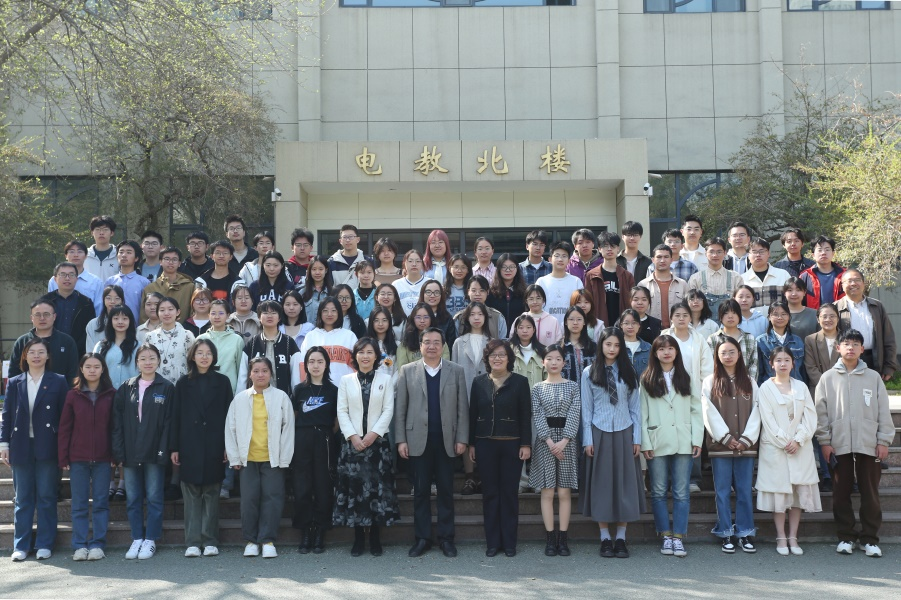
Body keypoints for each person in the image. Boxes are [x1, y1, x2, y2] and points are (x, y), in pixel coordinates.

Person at [816, 329, 893, 558]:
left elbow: (883, 411)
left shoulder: (873, 377)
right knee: (841, 493)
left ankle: (870, 539)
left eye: (855, 344)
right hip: (838, 444)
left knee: (870, 493)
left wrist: (883, 440)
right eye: (846, 343)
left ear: (862, 349)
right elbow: (820, 413)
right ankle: (846, 537)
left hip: (869, 443)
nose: (851, 347)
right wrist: (825, 441)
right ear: (838, 348)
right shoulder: (827, 378)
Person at [395, 327, 469, 558]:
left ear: (443, 346)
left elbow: (462, 409)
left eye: (437, 342)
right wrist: (401, 440)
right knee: (420, 492)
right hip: (417, 440)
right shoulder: (408, 371)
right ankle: (422, 539)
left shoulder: (456, 371)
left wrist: (462, 438)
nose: (432, 346)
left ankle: (446, 539)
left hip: (447, 440)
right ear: (420, 346)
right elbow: (400, 409)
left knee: (446, 491)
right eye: (427, 342)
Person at [0, 338, 68, 561]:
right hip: (21, 444)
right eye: (32, 352)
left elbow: (65, 418)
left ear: (48, 356)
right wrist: (4, 444)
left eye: (41, 352)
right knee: (23, 497)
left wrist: (64, 448)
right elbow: (7, 415)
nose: (36, 356)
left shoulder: (58, 381)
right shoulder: (15, 382)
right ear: (25, 356)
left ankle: (45, 544)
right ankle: (21, 544)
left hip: (48, 444)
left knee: (47, 496)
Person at [580, 327, 644, 559]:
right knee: (602, 484)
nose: (612, 349)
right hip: (600, 431)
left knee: (624, 483)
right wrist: (588, 439)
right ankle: (605, 537)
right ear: (601, 345)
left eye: (617, 345)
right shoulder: (589, 372)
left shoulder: (629, 371)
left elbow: (635, 407)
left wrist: (637, 438)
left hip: (625, 431)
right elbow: (587, 409)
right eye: (608, 344)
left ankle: (621, 538)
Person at [333, 338, 400, 557]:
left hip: (377, 444)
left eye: (370, 352)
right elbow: (341, 411)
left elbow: (388, 410)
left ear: (376, 356)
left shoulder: (385, 380)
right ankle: (358, 538)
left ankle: (375, 537)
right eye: (361, 352)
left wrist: (373, 434)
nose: (365, 356)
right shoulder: (346, 380)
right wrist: (353, 436)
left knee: (376, 490)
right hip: (352, 444)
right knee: (355, 488)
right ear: (355, 356)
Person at [225, 357, 295, 559]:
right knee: (249, 500)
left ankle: (267, 540)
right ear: (250, 374)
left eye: (265, 370)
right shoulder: (240, 399)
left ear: (271, 374)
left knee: (272, 499)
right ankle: (251, 540)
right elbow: (230, 428)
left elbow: (288, 429)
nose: (260, 374)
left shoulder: (281, 397)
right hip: (248, 458)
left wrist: (285, 458)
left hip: (273, 458)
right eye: (256, 371)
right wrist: (235, 457)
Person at [640, 335, 702, 558]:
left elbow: (697, 410)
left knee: (681, 491)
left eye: (670, 348)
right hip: (656, 440)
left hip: (684, 439)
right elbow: (642, 413)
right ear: (655, 353)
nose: (666, 352)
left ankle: (678, 536)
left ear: (676, 351)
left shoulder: (686, 377)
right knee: (658, 490)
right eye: (661, 349)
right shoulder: (646, 378)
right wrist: (645, 442)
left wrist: (697, 439)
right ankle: (665, 535)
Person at [170, 339, 233, 558]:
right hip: (189, 443)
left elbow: (229, 417)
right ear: (192, 356)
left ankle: (210, 540)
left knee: (212, 493)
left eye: (208, 353)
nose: (204, 357)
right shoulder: (183, 383)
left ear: (214, 357)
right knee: (191, 494)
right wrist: (174, 447)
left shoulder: (223, 382)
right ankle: (192, 542)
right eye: (200, 353)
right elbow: (175, 417)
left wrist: (228, 446)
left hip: (215, 442)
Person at [756, 346, 822, 556]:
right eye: (778, 360)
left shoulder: (801, 387)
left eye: (787, 360)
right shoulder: (765, 388)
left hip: (800, 448)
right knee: (780, 494)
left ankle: (793, 536)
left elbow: (810, 416)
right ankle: (781, 537)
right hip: (776, 448)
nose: (783, 364)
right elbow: (767, 419)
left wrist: (799, 440)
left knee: (796, 495)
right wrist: (785, 441)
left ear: (793, 363)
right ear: (771, 364)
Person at [469, 339, 531, 557]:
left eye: (501, 355)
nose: (497, 358)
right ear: (487, 359)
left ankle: (510, 543)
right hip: (485, 443)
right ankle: (493, 542)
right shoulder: (478, 382)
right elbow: (473, 414)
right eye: (493, 355)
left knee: (509, 494)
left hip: (512, 444)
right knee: (490, 493)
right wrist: (472, 443)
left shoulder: (520, 382)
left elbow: (526, 415)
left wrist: (525, 443)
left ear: (509, 359)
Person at [112, 344, 174, 560]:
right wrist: (118, 451)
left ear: (159, 361)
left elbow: (169, 423)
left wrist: (164, 450)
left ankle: (151, 539)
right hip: (130, 452)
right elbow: (117, 423)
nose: (148, 362)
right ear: (137, 362)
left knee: (155, 497)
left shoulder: (166, 387)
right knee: (133, 497)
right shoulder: (126, 387)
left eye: (152, 358)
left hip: (155, 452)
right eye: (143, 358)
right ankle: (137, 537)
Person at [702, 336, 761, 554]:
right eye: (723, 353)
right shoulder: (710, 381)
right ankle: (725, 531)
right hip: (721, 447)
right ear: (717, 356)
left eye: (732, 352)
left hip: (746, 447)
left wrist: (747, 439)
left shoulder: (750, 381)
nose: (728, 356)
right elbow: (707, 411)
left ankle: (745, 532)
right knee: (723, 491)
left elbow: (758, 410)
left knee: (744, 490)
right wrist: (725, 437)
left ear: (739, 354)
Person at [58, 353, 116, 561]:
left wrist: (115, 454)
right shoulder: (72, 395)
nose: (92, 370)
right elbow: (65, 428)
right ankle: (79, 545)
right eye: (88, 366)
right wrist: (63, 456)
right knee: (79, 504)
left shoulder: (112, 394)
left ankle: (98, 544)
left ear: (103, 369)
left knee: (101, 503)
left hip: (104, 458)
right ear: (81, 369)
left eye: (96, 366)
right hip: (78, 458)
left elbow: (116, 427)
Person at [530, 343, 580, 557]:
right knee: (547, 491)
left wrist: (565, 440)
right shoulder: (537, 388)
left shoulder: (573, 386)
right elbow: (538, 415)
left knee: (564, 491)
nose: (553, 362)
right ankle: (550, 538)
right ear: (543, 362)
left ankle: (563, 538)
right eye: (549, 358)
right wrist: (550, 442)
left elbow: (575, 413)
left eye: (558, 359)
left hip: (567, 442)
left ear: (564, 363)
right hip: (545, 442)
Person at [291, 347, 339, 554]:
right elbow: (293, 416)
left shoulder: (334, 391)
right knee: (302, 488)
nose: (316, 365)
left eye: (320, 361)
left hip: (325, 441)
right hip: (302, 439)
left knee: (323, 487)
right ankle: (305, 531)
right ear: (306, 365)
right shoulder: (298, 390)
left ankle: (320, 531)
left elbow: (337, 422)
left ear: (326, 364)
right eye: (312, 361)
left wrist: (324, 434)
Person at [663, 301, 714, 493]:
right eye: (677, 315)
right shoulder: (664, 337)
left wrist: (702, 391)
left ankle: (693, 478)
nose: (681, 318)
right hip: (668, 394)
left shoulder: (698, 339)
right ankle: (670, 479)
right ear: (671, 318)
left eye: (685, 315)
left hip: (693, 393)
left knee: (693, 434)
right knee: (669, 433)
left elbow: (707, 368)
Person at [452, 301, 491, 495]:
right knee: (466, 433)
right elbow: (454, 370)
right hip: (464, 392)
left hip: (487, 395)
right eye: (472, 314)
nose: (476, 318)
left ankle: (483, 475)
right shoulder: (459, 342)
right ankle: (469, 476)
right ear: (466, 318)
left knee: (483, 434)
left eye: (480, 314)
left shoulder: (492, 342)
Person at [803, 303, 842, 493]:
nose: (828, 320)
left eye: (832, 316)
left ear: (838, 318)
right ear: (818, 319)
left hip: (843, 391)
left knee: (842, 432)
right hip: (818, 391)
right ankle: (827, 475)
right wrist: (827, 385)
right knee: (822, 432)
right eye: (824, 316)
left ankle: (844, 474)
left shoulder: (846, 338)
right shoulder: (811, 340)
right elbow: (810, 367)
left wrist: (837, 386)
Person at [834, 269, 898, 382]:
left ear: (863, 284)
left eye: (857, 280)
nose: (853, 284)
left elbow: (889, 338)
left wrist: (889, 366)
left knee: (872, 392)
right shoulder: (835, 308)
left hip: (874, 359)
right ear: (842, 286)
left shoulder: (877, 306)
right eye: (849, 281)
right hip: (847, 361)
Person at [238, 301, 303, 397]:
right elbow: (243, 376)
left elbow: (296, 376)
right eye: (265, 313)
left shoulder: (289, 343)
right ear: (259, 317)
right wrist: (240, 398)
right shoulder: (252, 343)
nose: (269, 316)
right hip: (255, 399)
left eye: (273, 313)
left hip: (282, 399)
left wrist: (296, 400)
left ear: (279, 317)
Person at [8, 299, 79, 386]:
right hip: (27, 392)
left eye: (46, 314)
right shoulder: (22, 342)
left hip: (60, 392)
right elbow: (13, 373)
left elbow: (73, 373)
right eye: (37, 315)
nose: (42, 318)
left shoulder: (67, 341)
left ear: (54, 316)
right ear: (31, 318)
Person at [299, 298, 358, 386]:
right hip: (317, 389)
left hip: (345, 388)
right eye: (325, 311)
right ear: (320, 313)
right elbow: (303, 365)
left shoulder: (349, 336)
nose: (329, 314)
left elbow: (356, 365)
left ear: (339, 313)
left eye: (333, 310)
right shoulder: (311, 336)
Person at [44, 261, 96, 355]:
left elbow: (89, 330)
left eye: (71, 275)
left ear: (76, 279)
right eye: (63, 274)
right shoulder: (45, 301)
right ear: (55, 279)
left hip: (78, 353)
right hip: (49, 352)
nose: (67, 278)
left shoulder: (86, 303)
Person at [585, 230, 634, 327]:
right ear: (599, 249)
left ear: (618, 248)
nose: (609, 249)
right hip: (599, 326)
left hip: (622, 326)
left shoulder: (627, 276)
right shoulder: (591, 275)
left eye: (613, 246)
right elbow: (587, 302)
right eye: (605, 246)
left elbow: (631, 303)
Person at [198, 299, 246, 394]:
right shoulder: (201, 339)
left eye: (221, 313)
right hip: (204, 389)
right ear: (208, 315)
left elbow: (240, 370)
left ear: (228, 315)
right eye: (213, 313)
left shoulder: (237, 340)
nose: (217, 317)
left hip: (229, 389)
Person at [144, 297, 196, 383]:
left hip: (182, 383)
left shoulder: (187, 335)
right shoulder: (150, 336)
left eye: (170, 309)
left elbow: (193, 361)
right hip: (157, 383)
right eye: (162, 310)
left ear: (178, 312)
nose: (166, 313)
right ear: (157, 313)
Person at [707, 299, 759, 382]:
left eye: (734, 313)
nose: (730, 316)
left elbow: (754, 364)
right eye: (726, 313)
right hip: (720, 384)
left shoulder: (749, 338)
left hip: (744, 384)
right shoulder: (713, 339)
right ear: (720, 316)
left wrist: (749, 383)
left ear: (739, 315)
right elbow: (710, 365)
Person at [688, 237, 741, 317]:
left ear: (725, 253)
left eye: (719, 252)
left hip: (729, 322)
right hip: (704, 322)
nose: (715, 255)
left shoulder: (736, 277)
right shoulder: (695, 278)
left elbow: (740, 305)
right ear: (705, 253)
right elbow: (690, 305)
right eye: (711, 251)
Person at [639, 244, 688, 329]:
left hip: (676, 331)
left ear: (671, 260)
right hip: (651, 331)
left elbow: (688, 310)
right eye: (659, 257)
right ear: (653, 260)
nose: (662, 260)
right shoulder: (643, 285)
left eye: (666, 257)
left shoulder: (682, 284)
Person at [140, 246, 195, 323]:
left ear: (179, 263)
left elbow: (193, 313)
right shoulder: (150, 288)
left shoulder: (189, 287)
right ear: (160, 262)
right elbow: (144, 316)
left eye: (174, 259)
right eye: (167, 259)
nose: (170, 262)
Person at [48, 240, 104, 315]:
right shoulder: (54, 280)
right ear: (66, 255)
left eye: (80, 252)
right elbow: (50, 305)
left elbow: (98, 309)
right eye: (71, 252)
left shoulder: (95, 282)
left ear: (86, 256)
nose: (76, 255)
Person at [756, 301, 806, 385]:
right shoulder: (761, 341)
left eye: (783, 314)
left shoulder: (798, 341)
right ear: (769, 317)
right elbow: (759, 372)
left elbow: (803, 371)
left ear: (789, 317)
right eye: (775, 314)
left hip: (795, 387)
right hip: (771, 388)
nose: (780, 317)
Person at [537, 241, 584, 328]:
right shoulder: (541, 282)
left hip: (570, 329)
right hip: (546, 328)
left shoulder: (576, 282)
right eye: (557, 256)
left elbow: (581, 307)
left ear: (569, 261)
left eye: (564, 256)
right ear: (550, 259)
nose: (560, 259)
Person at [95, 305, 140, 388]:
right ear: (110, 321)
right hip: (105, 392)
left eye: (125, 318)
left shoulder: (138, 347)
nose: (120, 322)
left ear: (130, 321)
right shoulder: (100, 346)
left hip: (131, 392)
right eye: (116, 318)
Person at [799, 235, 846, 310]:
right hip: (814, 316)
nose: (823, 253)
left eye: (827, 249)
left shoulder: (844, 275)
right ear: (813, 255)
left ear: (833, 253)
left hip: (840, 315)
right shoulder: (805, 277)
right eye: (820, 250)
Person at [741, 237, 790, 309]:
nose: (758, 255)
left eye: (762, 251)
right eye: (754, 252)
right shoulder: (742, 279)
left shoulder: (783, 275)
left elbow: (791, 301)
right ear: (748, 255)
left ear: (768, 254)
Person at [454, 275, 508, 339]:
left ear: (487, 292)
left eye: (482, 290)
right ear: (468, 292)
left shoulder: (497, 317)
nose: (477, 294)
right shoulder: (459, 317)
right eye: (473, 290)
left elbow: (502, 342)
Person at [398, 303, 450, 370]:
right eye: (418, 317)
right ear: (413, 319)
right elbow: (402, 370)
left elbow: (445, 367)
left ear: (431, 318)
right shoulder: (405, 344)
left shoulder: (441, 342)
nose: (422, 321)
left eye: (426, 317)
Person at [487, 253, 526, 326]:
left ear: (517, 269)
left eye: (512, 267)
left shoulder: (524, 292)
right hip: (496, 332)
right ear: (498, 269)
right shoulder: (491, 292)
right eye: (504, 267)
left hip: (519, 332)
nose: (508, 270)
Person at [509, 314, 546, 389]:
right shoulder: (508, 350)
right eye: (521, 327)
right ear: (516, 330)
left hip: (537, 395)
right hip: (514, 394)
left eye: (528, 327)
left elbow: (547, 377)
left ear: (534, 330)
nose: (525, 331)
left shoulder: (543, 351)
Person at [560, 306, 597, 382]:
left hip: (589, 388)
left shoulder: (593, 347)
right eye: (571, 319)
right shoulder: (560, 347)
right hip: (566, 388)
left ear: (584, 322)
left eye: (579, 319)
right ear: (566, 322)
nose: (575, 323)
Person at [419, 278, 457, 348]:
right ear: (422, 294)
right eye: (428, 292)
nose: (432, 296)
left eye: (436, 292)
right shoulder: (414, 316)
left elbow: (450, 345)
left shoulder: (447, 319)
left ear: (441, 295)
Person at [86, 285, 124, 353]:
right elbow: (90, 351)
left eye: (117, 298)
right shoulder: (93, 324)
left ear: (122, 301)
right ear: (103, 300)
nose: (112, 301)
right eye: (108, 298)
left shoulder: (126, 322)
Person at [366, 307, 399, 384]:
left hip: (391, 387)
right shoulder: (365, 345)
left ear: (389, 322)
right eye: (376, 320)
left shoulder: (397, 345)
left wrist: (389, 386)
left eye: (384, 320)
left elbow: (398, 371)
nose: (380, 324)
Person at [395, 249, 431, 316]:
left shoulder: (430, 283)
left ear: (422, 264)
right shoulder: (396, 284)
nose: (414, 264)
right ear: (405, 263)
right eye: (410, 261)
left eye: (418, 261)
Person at [618, 309, 651, 378]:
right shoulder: (617, 346)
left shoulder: (648, 348)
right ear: (621, 325)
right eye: (626, 323)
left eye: (634, 323)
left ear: (639, 325)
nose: (630, 326)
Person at [300, 255, 333, 323]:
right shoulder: (302, 292)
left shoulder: (333, 292)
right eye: (314, 269)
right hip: (308, 329)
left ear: (326, 270)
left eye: (321, 269)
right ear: (309, 271)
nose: (317, 272)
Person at [85, 215, 119, 281]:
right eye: (97, 229)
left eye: (105, 230)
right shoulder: (85, 255)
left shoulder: (118, 255)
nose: (101, 233)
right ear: (92, 233)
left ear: (112, 233)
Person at [784, 277, 818, 341]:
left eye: (798, 290)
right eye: (790, 290)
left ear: (804, 292)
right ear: (784, 293)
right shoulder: (777, 315)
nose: (794, 294)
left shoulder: (815, 314)